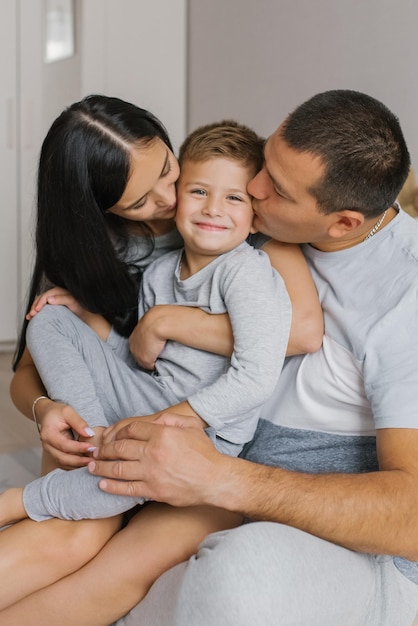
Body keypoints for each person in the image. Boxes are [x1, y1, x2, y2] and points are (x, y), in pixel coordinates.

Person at [6, 89, 415, 626]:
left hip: (220, 449)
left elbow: (297, 334)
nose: (252, 188)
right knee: (77, 528)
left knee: (115, 555)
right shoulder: (188, 224)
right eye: (264, 163)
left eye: (273, 191)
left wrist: (168, 327)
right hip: (139, 408)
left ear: (341, 222)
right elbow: (47, 363)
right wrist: (47, 401)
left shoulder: (284, 252)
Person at [0, 118, 301, 526]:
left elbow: (255, 377)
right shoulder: (161, 270)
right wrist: (85, 315)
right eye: (198, 192)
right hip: (149, 396)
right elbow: (141, 359)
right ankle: (94, 439)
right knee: (48, 319)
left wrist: (159, 422)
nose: (213, 208)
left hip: (204, 427)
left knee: (116, 486)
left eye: (234, 198)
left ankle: (21, 501)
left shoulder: (244, 271)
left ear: (255, 215)